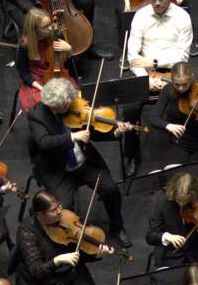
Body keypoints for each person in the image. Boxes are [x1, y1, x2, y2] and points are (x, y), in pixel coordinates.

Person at [26, 77, 132, 247]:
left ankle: (117, 228)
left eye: (69, 103)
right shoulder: (36, 115)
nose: (69, 109)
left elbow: (93, 130)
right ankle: (70, 239)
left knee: (111, 189)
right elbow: (45, 143)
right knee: (64, 207)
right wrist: (72, 136)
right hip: (57, 169)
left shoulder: (74, 104)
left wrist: (115, 133)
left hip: (84, 162)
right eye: (63, 107)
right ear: (53, 105)